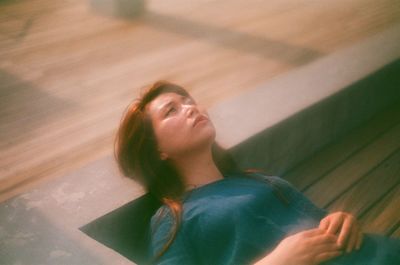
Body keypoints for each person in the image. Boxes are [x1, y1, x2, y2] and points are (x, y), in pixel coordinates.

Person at [114, 80, 400, 265]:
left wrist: (340, 221)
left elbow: (319, 224)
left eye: (188, 100)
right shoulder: (174, 218)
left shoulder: (262, 181)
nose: (190, 108)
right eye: (171, 110)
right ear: (158, 151)